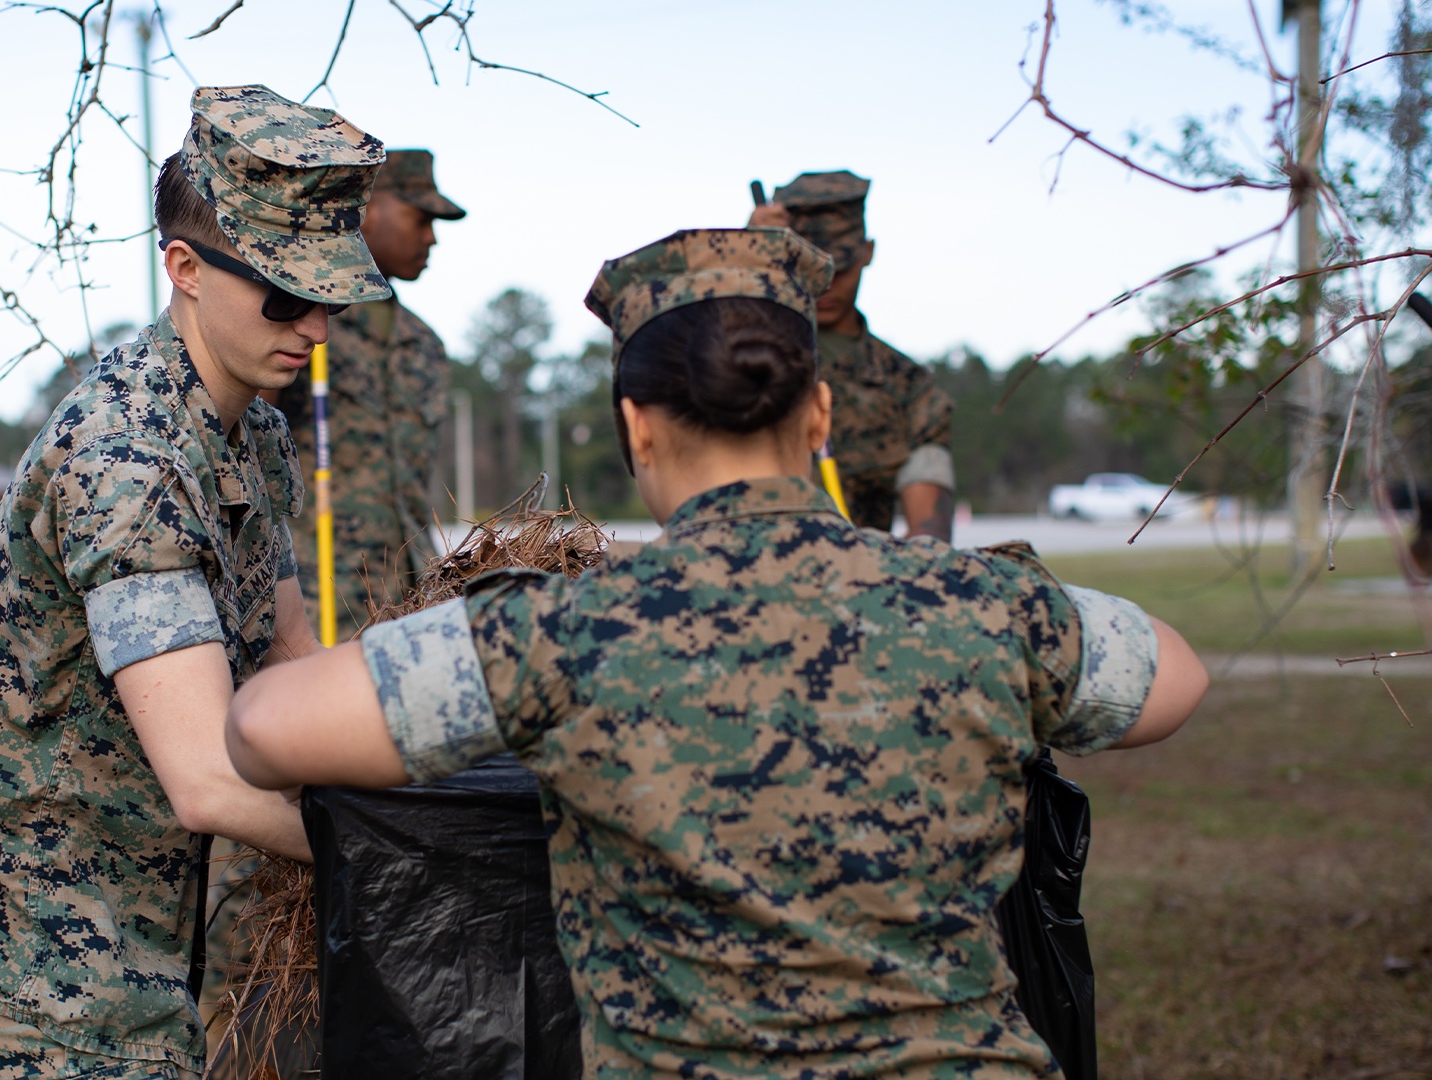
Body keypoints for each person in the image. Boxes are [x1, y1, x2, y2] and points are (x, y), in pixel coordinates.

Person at [223, 227, 1209, 1078]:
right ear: (819, 416)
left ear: (636, 428)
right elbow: (1174, 679)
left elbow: (266, 733)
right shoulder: (980, 606)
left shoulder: (564, 633)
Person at [0, 85, 392, 1079]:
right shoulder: (128, 465)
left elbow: (289, 661)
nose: (316, 328)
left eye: (329, 296)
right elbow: (206, 780)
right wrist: (398, 852)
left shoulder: (254, 435)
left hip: (139, 913)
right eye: (284, 297)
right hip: (33, 947)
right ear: (185, 269)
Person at [270, 149, 464, 638]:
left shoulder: (423, 344)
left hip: (410, 603)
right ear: (367, 210)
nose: (432, 237)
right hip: (318, 604)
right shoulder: (302, 325)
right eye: (420, 219)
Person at [750, 170, 957, 541]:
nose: (826, 284)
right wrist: (745, 268)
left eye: (840, 268)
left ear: (868, 252)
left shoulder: (907, 385)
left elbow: (931, 538)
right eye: (810, 269)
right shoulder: (741, 361)